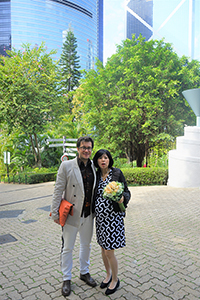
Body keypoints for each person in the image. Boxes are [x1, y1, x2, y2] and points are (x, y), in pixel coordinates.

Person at [51, 136, 97, 297]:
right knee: (67, 248)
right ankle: (66, 278)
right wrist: (55, 212)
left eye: (89, 148)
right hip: (71, 214)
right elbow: (58, 190)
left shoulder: (93, 165)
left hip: (89, 214)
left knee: (86, 245)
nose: (86, 150)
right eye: (84, 147)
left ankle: (84, 272)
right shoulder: (67, 165)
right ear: (78, 149)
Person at [92, 149, 131, 296]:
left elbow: (127, 191)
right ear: (96, 161)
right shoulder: (96, 176)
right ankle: (108, 275)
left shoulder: (116, 173)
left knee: (109, 251)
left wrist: (123, 198)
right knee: (103, 249)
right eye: (100, 158)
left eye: (106, 158)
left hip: (113, 219)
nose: (103, 160)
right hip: (100, 220)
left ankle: (115, 279)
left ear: (109, 159)